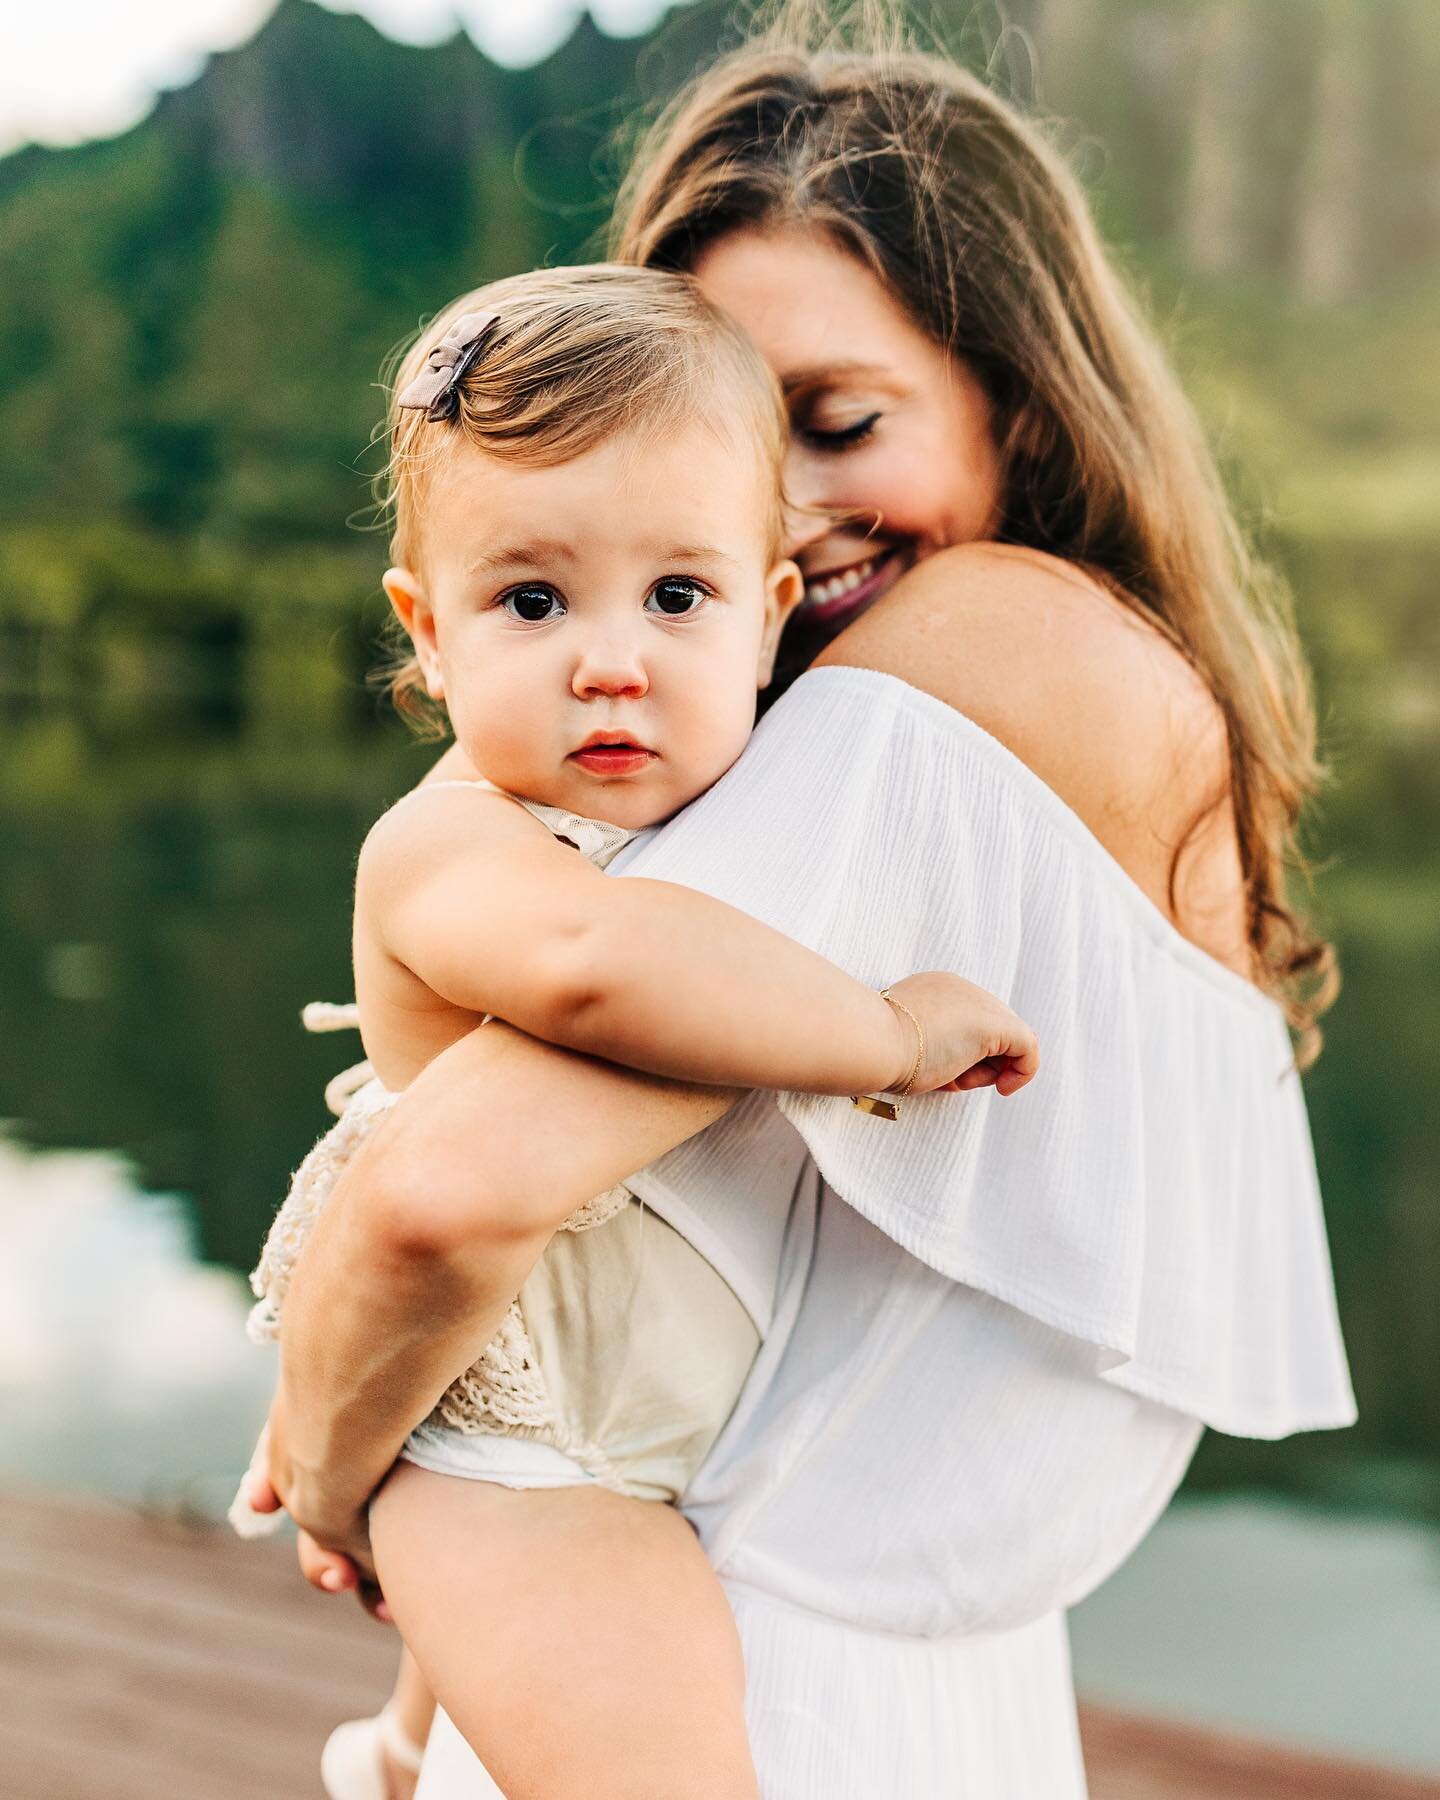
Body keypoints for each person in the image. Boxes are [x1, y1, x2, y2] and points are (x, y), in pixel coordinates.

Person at [260, 7, 1357, 1795]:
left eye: (838, 423)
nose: (788, 505)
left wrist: (320, 1451)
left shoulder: (959, 670)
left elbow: (436, 1199)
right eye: (718, 435)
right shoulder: (1139, 715)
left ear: (1026, 397)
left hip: (737, 1704)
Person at [237, 261, 1038, 1800]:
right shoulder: (453, 845)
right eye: (531, 601)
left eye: (678, 597)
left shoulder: (758, 798)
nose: (611, 658)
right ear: (429, 626)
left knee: (464, 1731)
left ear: (768, 616)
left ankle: (396, 1752)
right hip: (525, 1460)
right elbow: (600, 968)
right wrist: (884, 1031)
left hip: (634, 1415)